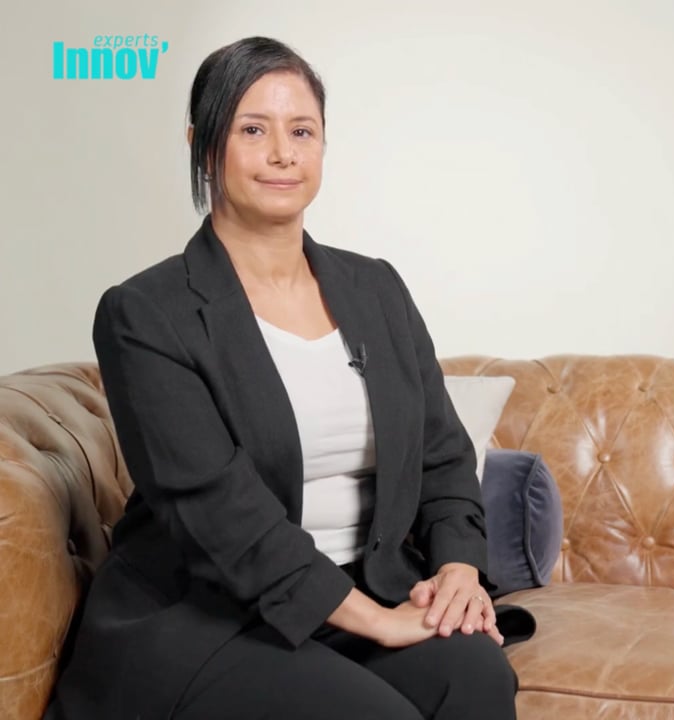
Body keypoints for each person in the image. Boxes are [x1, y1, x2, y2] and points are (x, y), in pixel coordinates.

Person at [44, 36, 525, 720]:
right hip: (212, 614)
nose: (282, 153)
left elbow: (441, 455)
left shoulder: (377, 288)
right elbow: (220, 517)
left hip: (367, 587)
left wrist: (457, 570)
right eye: (252, 130)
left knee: (476, 677)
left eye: (301, 131)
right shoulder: (145, 313)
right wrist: (381, 623)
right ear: (203, 146)